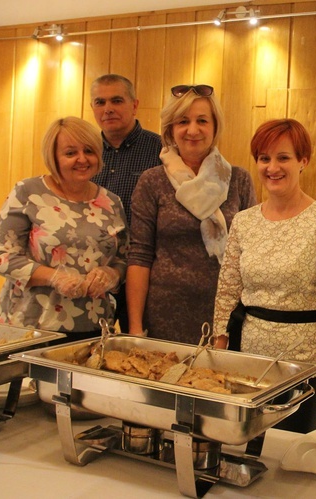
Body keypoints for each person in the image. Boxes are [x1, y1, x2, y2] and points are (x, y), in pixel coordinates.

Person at [212, 119, 316, 433]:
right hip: (248, 363)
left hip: (302, 366)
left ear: (303, 161)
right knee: (246, 443)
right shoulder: (244, 222)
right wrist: (218, 354)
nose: (272, 167)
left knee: (290, 455)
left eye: (283, 158)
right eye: (264, 158)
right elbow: (227, 292)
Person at [126, 84, 257, 344]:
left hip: (227, 316)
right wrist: (135, 328)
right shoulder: (151, 182)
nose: (193, 130)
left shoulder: (238, 180)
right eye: (183, 121)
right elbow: (139, 256)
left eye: (202, 121)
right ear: (170, 129)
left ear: (215, 126)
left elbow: (251, 254)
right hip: (164, 316)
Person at [0, 116, 128, 341]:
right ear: (53, 157)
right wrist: (54, 277)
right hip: (30, 327)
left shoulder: (112, 202)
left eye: (89, 151)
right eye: (70, 153)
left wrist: (110, 274)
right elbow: (2, 258)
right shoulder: (28, 192)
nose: (82, 159)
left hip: (94, 327)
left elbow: (123, 260)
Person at [90, 74, 162, 334]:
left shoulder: (161, 150)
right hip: (94, 274)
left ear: (134, 104)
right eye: (100, 102)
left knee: (141, 347)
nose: (107, 108)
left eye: (116, 100)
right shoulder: (86, 152)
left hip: (145, 274)